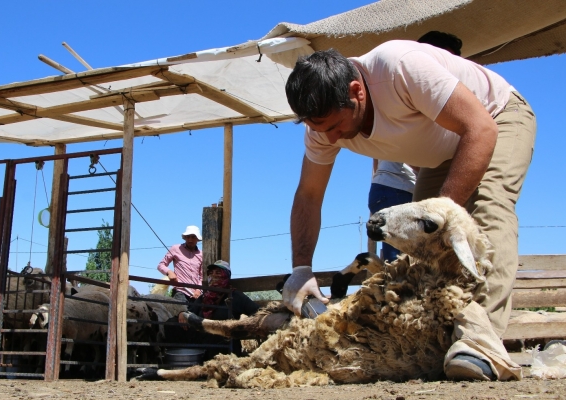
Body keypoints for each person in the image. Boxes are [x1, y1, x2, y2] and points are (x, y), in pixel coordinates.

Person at [282, 39, 535, 381]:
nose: (328, 139)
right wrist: (301, 269)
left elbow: (480, 129)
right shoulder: (321, 129)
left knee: (486, 211)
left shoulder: (400, 68)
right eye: (318, 129)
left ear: (357, 91)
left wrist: (443, 214)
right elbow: (309, 194)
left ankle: (481, 341)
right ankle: (435, 341)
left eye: (334, 127)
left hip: (495, 119)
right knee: (417, 255)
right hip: (439, 154)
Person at [368, 32, 463, 263]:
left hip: (388, 185)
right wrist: (431, 178)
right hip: (399, 188)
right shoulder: (415, 89)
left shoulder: (426, 92)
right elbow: (408, 150)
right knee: (404, 261)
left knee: (405, 258)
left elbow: (379, 155)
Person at [166, 260, 259, 359]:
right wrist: (182, 313)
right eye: (210, 273)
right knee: (171, 324)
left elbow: (257, 313)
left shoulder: (235, 296)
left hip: (223, 340)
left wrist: (239, 327)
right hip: (203, 338)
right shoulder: (204, 298)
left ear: (226, 275)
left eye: (218, 273)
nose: (213, 276)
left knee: (215, 333)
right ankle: (179, 359)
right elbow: (190, 312)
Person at [157, 225, 203, 303]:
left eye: (193, 237)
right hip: (180, 291)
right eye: (188, 237)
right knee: (182, 313)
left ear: (197, 239)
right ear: (184, 237)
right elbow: (161, 265)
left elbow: (202, 276)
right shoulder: (176, 248)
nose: (190, 239)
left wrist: (198, 290)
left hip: (195, 294)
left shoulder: (201, 254)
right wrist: (169, 272)